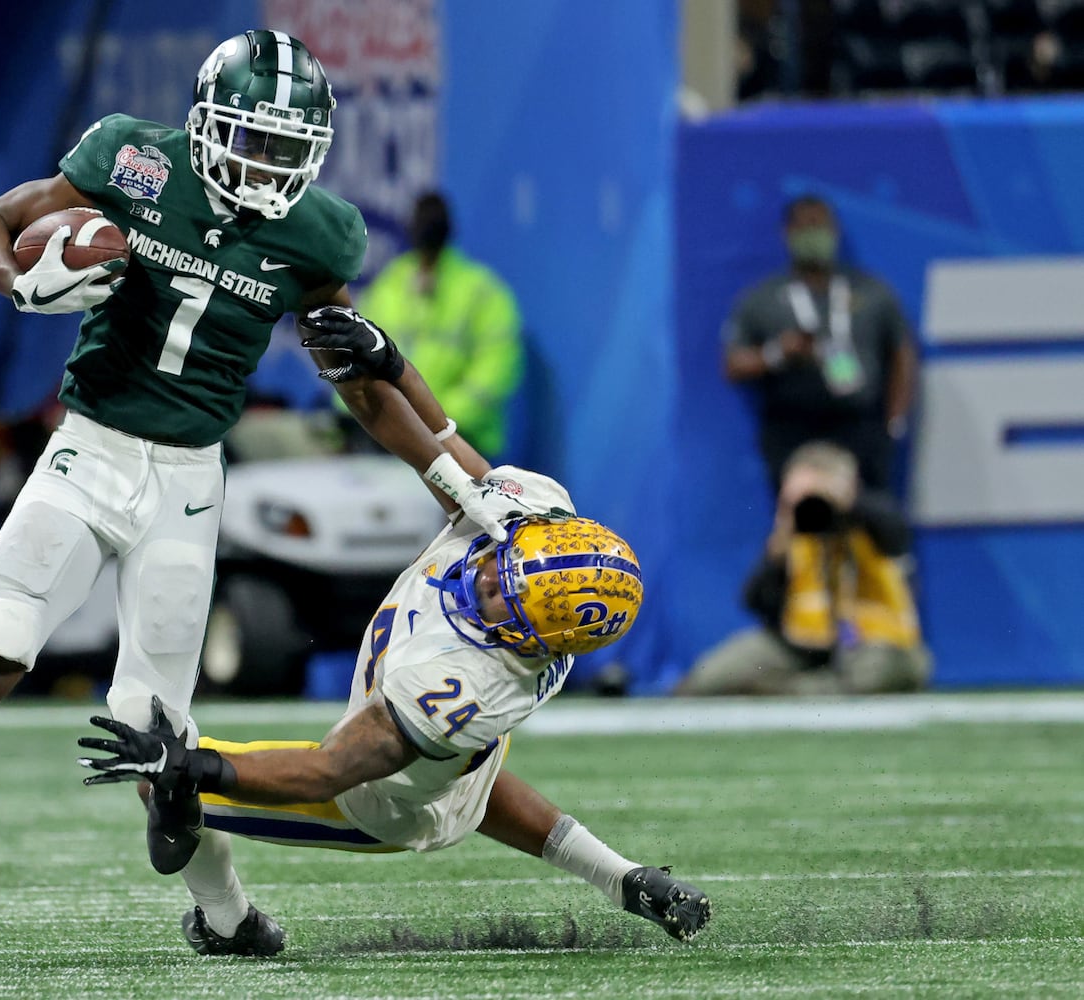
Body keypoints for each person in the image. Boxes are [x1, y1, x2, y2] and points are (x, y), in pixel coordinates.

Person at [0, 29, 522, 957]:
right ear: (206, 122)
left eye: (285, 145)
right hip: (91, 447)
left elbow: (357, 376)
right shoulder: (130, 157)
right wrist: (15, 282)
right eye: (251, 137)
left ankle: (223, 915)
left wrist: (452, 481)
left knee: (155, 735)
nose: (266, 162)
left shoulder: (318, 231)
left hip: (189, 477)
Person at [75, 477, 712, 956]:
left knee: (162, 771)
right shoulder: (521, 516)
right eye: (505, 566)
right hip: (452, 765)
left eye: (508, 597)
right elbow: (436, 452)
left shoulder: (466, 686)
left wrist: (190, 764)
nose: (488, 577)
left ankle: (228, 923)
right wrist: (380, 364)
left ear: (538, 641)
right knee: (467, 782)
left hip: (378, 802)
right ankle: (624, 877)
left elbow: (328, 772)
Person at [675, 440, 930, 697]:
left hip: (876, 641)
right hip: (805, 647)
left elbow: (896, 532)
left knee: (871, 675)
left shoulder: (872, 523)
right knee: (710, 678)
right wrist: (779, 545)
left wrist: (844, 504)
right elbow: (756, 602)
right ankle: (800, 690)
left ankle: (788, 692)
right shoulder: (795, 535)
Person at [722, 194, 918, 493]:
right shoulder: (762, 300)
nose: (815, 234)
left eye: (821, 225)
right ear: (787, 233)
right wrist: (777, 353)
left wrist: (894, 422)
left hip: (859, 425)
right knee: (803, 518)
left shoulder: (872, 293)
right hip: (793, 427)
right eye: (806, 226)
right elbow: (733, 364)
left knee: (871, 517)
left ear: (835, 231)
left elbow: (902, 353)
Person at [354, 191, 523, 459]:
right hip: (388, 436)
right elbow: (355, 353)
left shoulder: (482, 293)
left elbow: (493, 375)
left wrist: (434, 419)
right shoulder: (391, 283)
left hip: (460, 441)